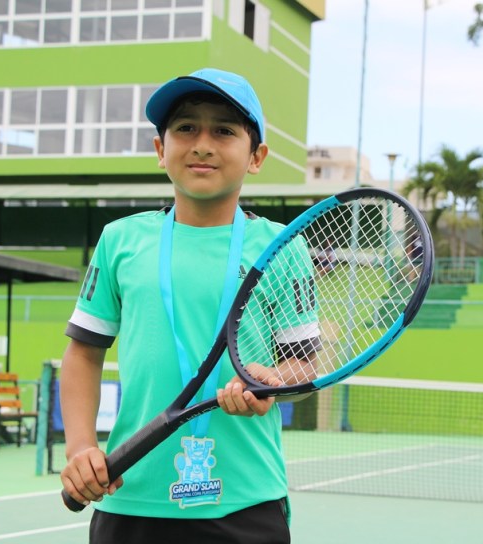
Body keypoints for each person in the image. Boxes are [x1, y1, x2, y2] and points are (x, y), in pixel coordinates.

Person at [59, 68, 319, 544]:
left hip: (246, 501)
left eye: (223, 130)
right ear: (161, 150)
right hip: (131, 495)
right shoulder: (121, 241)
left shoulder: (282, 248)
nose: (202, 143)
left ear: (256, 156)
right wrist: (80, 446)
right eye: (185, 128)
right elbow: (82, 354)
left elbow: (303, 365)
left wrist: (275, 382)